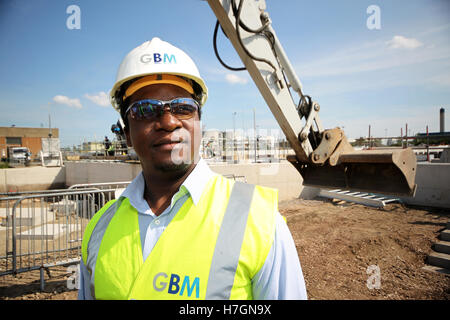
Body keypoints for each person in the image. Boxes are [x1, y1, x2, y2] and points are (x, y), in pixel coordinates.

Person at [78, 37, 307, 300]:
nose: (168, 121)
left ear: (199, 122)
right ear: (127, 133)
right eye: (145, 109)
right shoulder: (99, 229)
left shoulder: (261, 223)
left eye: (182, 108)